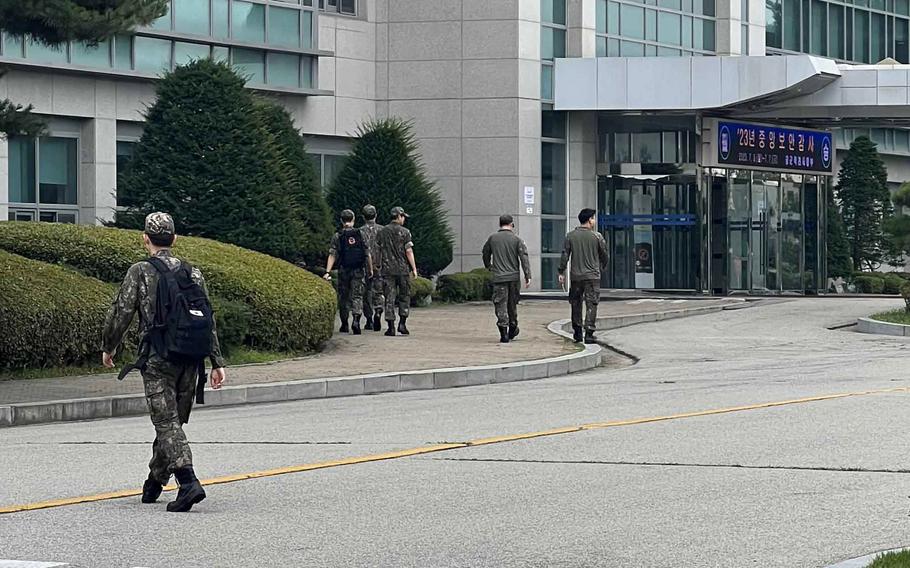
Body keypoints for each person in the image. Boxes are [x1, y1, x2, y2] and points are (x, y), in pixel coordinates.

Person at [102, 212, 226, 513]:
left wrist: (109, 346)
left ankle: (188, 482)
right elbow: (207, 318)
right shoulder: (192, 272)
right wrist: (216, 361)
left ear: (145, 239)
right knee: (172, 424)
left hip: (158, 358)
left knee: (166, 423)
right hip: (190, 359)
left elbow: (122, 311)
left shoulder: (140, 271)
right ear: (174, 238)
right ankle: (155, 481)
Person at [558, 208, 609, 344]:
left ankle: (578, 331)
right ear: (589, 220)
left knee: (576, 303)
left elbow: (565, 256)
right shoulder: (597, 237)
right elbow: (604, 255)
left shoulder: (570, 236)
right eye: (593, 218)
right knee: (592, 304)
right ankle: (589, 333)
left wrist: (561, 271)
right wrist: (603, 266)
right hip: (592, 276)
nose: (594, 220)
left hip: (576, 277)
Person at [482, 214, 532, 343]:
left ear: (500, 224)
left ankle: (503, 332)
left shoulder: (492, 239)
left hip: (498, 277)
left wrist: (489, 266)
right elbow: (524, 258)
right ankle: (513, 325)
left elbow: (485, 252)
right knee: (512, 304)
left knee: (500, 304)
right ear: (511, 224)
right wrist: (528, 276)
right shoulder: (516, 239)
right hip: (513, 278)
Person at [324, 209, 373, 335]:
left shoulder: (338, 235)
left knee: (343, 297)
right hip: (358, 269)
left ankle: (344, 324)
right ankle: (356, 320)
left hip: (343, 269)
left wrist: (328, 271)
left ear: (341, 220)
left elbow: (332, 254)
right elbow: (367, 254)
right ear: (354, 219)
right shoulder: (361, 233)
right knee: (357, 296)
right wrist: (370, 269)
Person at [376, 206, 418, 336]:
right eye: (403, 216)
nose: (404, 219)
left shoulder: (382, 232)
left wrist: (378, 265)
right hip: (403, 269)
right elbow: (409, 251)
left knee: (390, 297)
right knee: (404, 296)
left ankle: (390, 327)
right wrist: (414, 269)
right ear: (399, 216)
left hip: (387, 270)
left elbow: (378, 250)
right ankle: (402, 323)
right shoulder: (405, 232)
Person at [359, 204, 384, 331]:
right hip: (379, 265)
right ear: (376, 215)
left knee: (366, 293)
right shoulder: (383, 230)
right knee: (378, 291)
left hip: (363, 266)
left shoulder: (360, 231)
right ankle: (378, 310)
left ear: (363, 217)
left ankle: (369, 319)